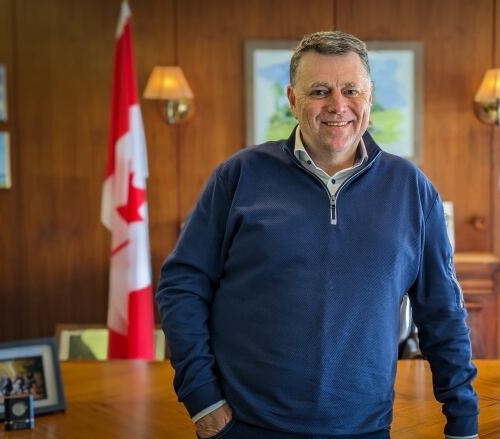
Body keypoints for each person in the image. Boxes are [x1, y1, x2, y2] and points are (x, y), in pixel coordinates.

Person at [157, 31, 479, 439]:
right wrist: (202, 397)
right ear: (293, 99)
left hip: (364, 429)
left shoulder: (411, 188)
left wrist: (463, 421)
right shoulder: (238, 176)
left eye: (351, 90)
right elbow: (181, 284)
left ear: (370, 97)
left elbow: (442, 312)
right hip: (243, 426)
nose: (337, 105)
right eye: (320, 91)